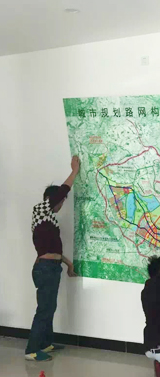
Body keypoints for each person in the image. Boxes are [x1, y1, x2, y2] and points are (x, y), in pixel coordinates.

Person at [25, 155, 81, 362]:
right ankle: (32, 350)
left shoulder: (50, 222)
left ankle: (45, 343)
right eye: (60, 201)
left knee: (49, 308)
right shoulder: (40, 210)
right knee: (44, 309)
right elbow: (61, 191)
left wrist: (68, 264)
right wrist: (74, 171)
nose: (61, 205)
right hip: (46, 269)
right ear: (51, 199)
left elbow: (53, 250)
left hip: (52, 267)